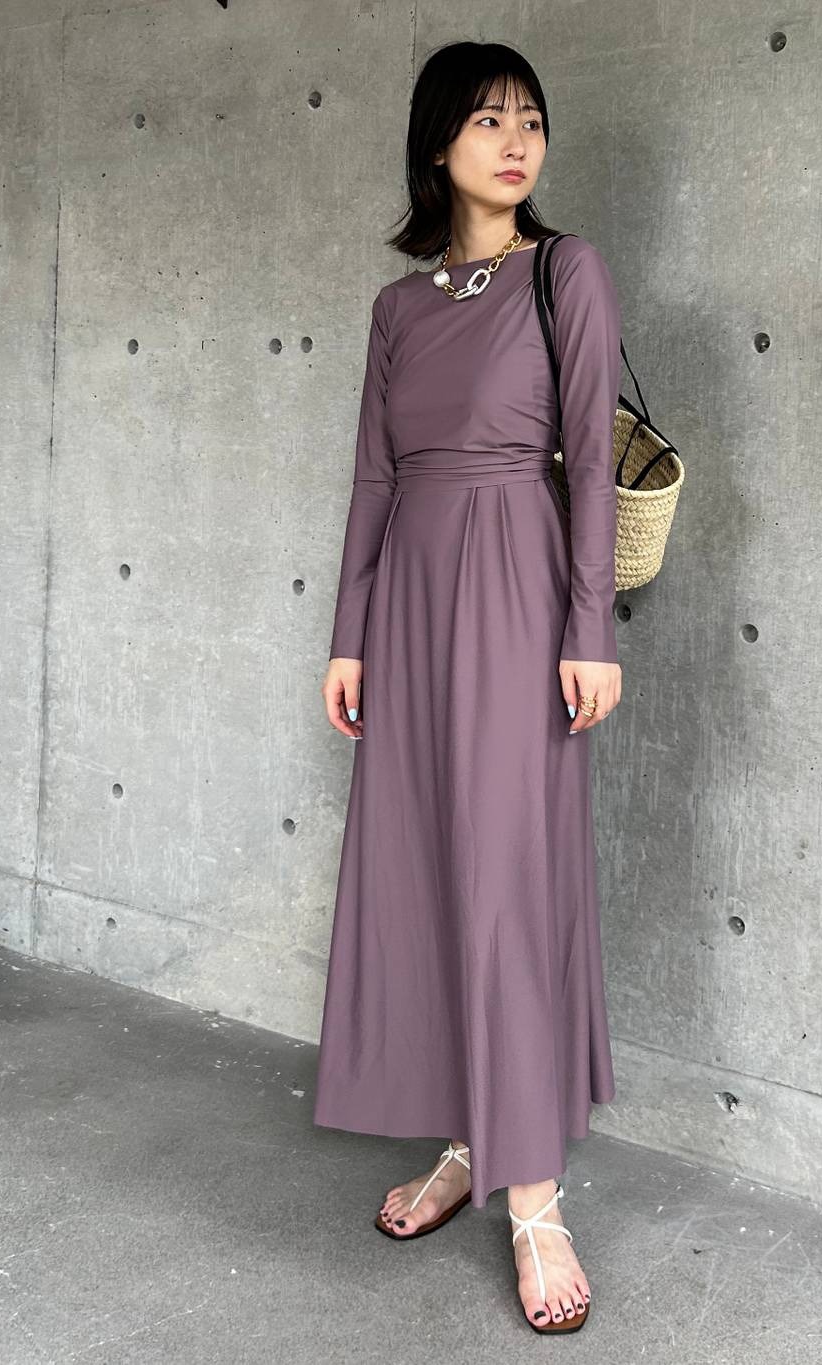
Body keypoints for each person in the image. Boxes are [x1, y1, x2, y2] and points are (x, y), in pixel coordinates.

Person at [313, 39, 622, 1335]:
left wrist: (590, 625)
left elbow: (592, 457)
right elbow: (374, 476)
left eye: (531, 120)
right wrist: (350, 631)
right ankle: (467, 1136)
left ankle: (533, 1194)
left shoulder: (566, 272)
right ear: (437, 143)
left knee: (505, 877)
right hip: (411, 603)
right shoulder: (399, 308)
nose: (516, 141)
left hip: (517, 592)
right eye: (489, 120)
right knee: (428, 871)